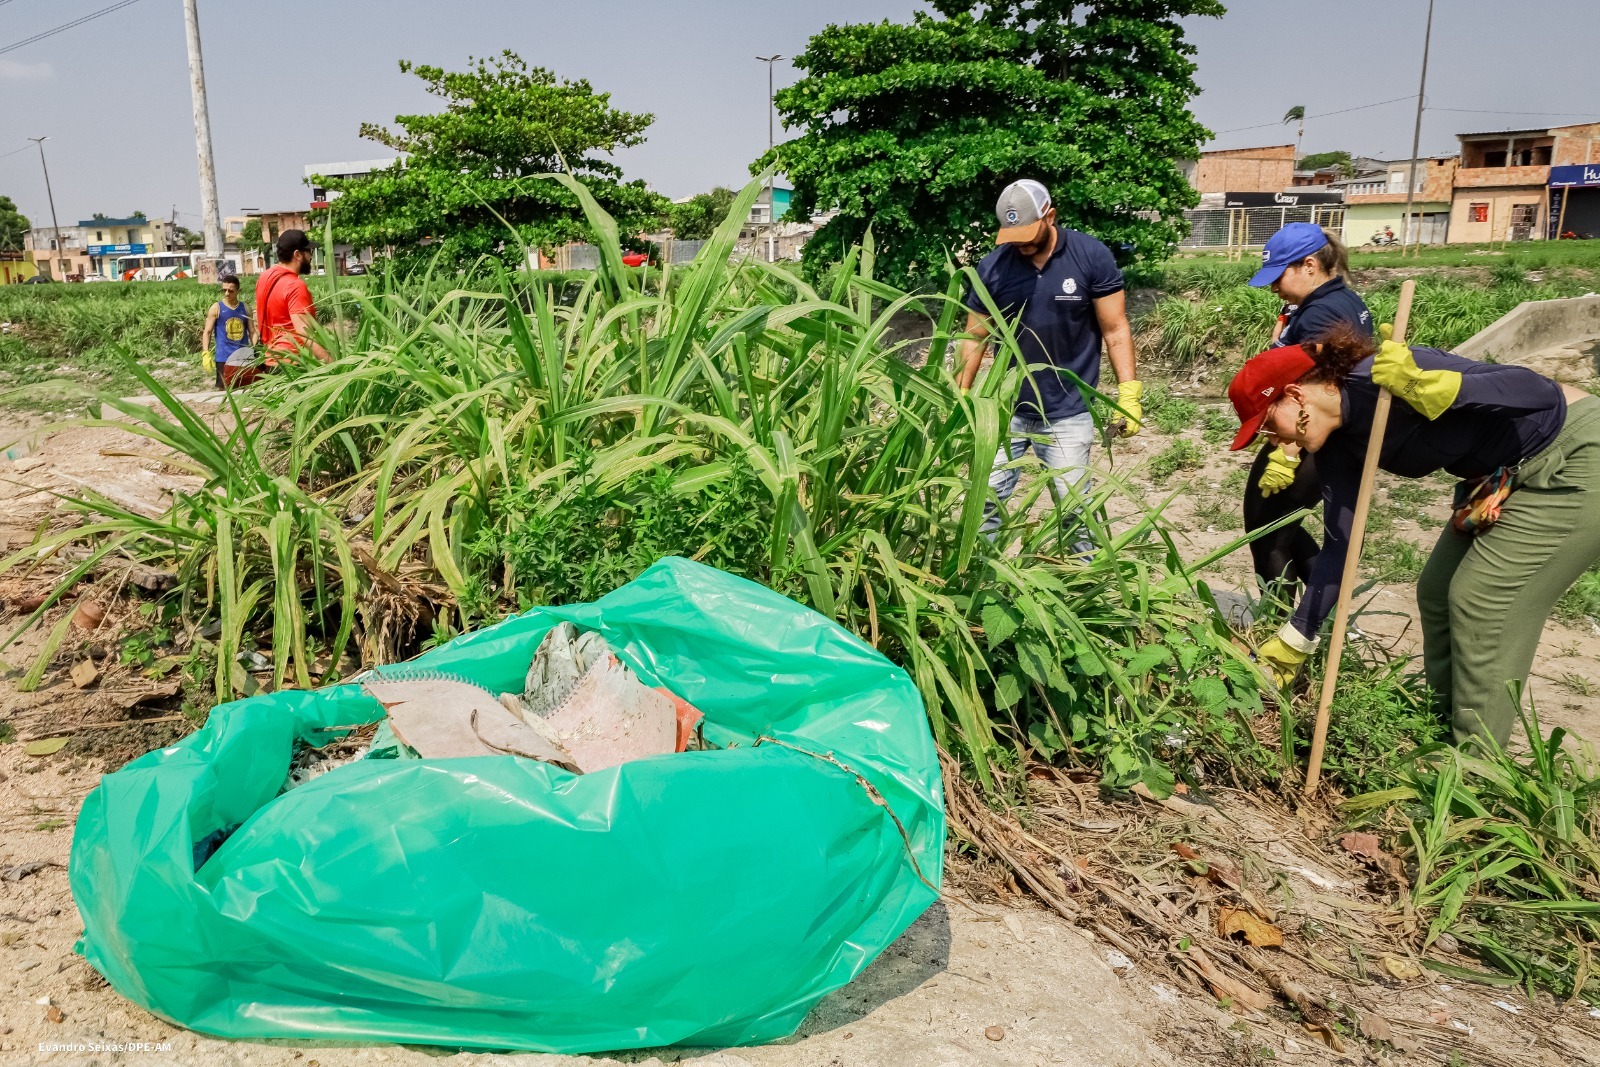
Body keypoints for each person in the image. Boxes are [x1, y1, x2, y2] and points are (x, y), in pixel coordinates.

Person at [1228, 325, 1599, 749]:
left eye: (1268, 426)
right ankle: (1441, 731)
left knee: (1483, 599)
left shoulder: (1382, 378)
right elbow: (1342, 545)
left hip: (1572, 454)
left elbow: (1537, 391)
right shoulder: (1337, 445)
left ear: (1294, 397)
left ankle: (1476, 763)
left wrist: (1429, 386)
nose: (1275, 442)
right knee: (1437, 592)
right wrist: (1298, 635)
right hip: (1501, 476)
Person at [957, 179, 1141, 544]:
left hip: (1068, 411)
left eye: (1027, 232)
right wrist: (961, 395)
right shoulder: (993, 268)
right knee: (984, 504)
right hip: (1005, 410)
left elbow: (1116, 328)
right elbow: (973, 338)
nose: (1021, 243)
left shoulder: (1091, 256)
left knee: (1074, 511)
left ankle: (1078, 584)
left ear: (1050, 216)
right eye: (1013, 234)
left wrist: (1128, 391)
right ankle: (974, 580)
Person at [1241, 224, 1372, 596]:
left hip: (1308, 437)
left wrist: (1287, 451)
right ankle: (1319, 615)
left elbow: (1316, 393)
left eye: (1278, 276)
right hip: (1331, 435)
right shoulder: (1341, 301)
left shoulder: (1320, 316)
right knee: (1282, 526)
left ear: (1310, 265)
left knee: (1267, 534)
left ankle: (1280, 620)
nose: (1273, 287)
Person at [254, 229, 329, 374]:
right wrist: (331, 362)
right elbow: (304, 333)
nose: (311, 257)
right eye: (309, 252)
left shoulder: (265, 278)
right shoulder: (295, 285)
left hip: (271, 360)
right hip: (293, 363)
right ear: (297, 254)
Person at [202, 273, 254, 390]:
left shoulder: (245, 308)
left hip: (243, 356)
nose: (227, 293)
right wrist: (205, 352)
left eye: (230, 291)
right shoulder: (216, 308)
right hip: (224, 357)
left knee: (245, 389)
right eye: (224, 290)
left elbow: (252, 331)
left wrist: (256, 348)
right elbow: (207, 332)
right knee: (225, 391)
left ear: (237, 291)